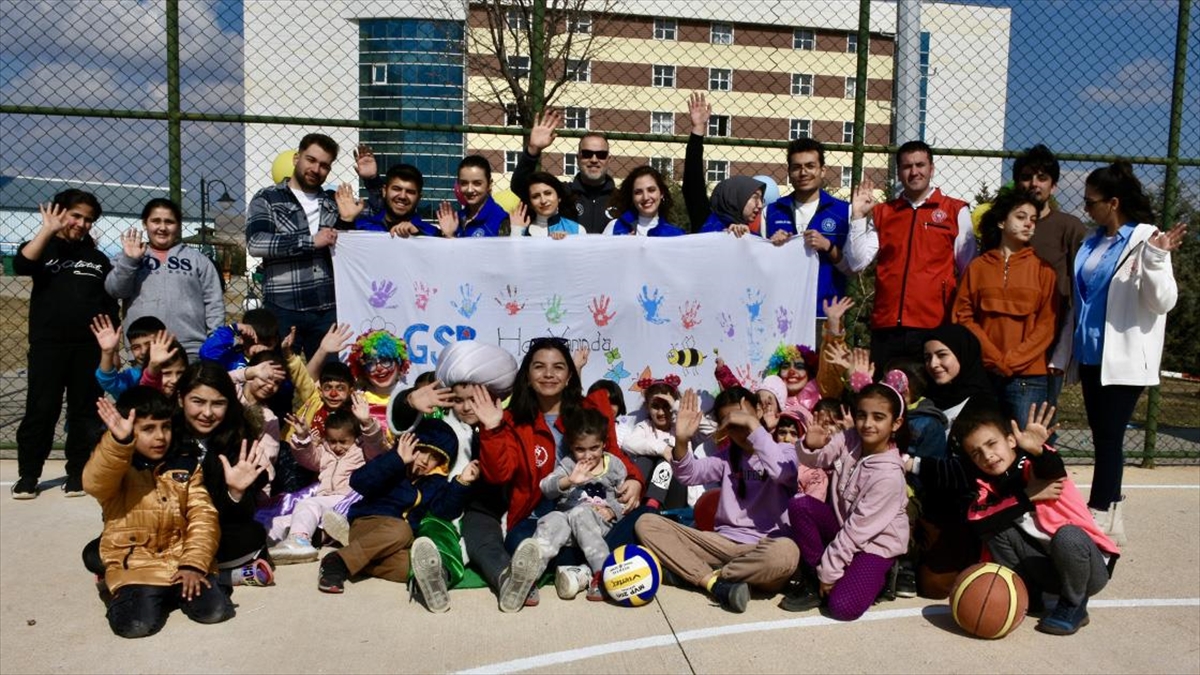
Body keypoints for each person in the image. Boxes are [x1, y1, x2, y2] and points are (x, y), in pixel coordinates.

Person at [468, 338, 644, 612]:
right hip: (540, 517)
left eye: (558, 367)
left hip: (592, 512)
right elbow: (498, 474)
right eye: (539, 367)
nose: (549, 374)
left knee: (642, 518)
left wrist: (634, 479)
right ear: (527, 376)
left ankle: (576, 565)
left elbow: (613, 454)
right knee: (519, 541)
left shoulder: (590, 411)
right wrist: (492, 428)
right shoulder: (514, 420)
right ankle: (574, 568)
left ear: (569, 375)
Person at [1064, 162, 1184, 544]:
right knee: (1103, 436)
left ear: (1113, 202)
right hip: (1090, 354)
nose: (1086, 208)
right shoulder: (1092, 240)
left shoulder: (1147, 239)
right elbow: (1082, 298)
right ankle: (1112, 514)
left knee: (1110, 438)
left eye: (1091, 201)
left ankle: (1100, 514)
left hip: (1124, 359)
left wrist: (1157, 258)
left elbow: (1163, 300)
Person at [953, 403, 1119, 635]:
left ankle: (1074, 604)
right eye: (976, 453)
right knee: (996, 529)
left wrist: (1038, 450)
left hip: (1088, 570)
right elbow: (978, 521)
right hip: (1048, 570)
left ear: (1011, 440)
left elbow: (1052, 469)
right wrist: (1026, 497)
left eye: (992, 444)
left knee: (1067, 536)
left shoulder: (1032, 464)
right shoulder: (987, 486)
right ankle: (1027, 593)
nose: (987, 456)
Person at [634, 387, 801, 614]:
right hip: (722, 544)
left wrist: (753, 426)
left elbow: (784, 474)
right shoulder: (725, 458)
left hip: (764, 548)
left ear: (760, 411)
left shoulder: (785, 450)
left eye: (743, 418)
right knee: (646, 523)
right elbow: (689, 474)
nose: (739, 428)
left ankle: (704, 573)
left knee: (787, 553)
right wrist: (681, 439)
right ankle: (711, 581)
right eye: (731, 423)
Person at [85, 387, 233, 638]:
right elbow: (94, 482)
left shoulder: (185, 465)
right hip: (135, 565)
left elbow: (203, 517)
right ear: (130, 430)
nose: (160, 437)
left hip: (181, 561)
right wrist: (119, 442)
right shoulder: (118, 468)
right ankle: (121, 590)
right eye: (148, 429)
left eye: (165, 427)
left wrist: (194, 564)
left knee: (215, 612)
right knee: (135, 626)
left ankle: (166, 594)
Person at [12, 191, 119, 500]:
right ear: (60, 213)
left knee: (85, 411)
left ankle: (77, 472)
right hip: (48, 346)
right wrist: (47, 230)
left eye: (88, 219)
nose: (82, 223)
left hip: (88, 348)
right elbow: (21, 264)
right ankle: (29, 474)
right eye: (76, 216)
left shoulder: (98, 260)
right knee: (41, 409)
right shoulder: (44, 250)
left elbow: (110, 305)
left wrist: (109, 348)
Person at [782, 382, 909, 620]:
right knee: (800, 505)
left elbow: (857, 532)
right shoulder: (850, 438)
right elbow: (818, 459)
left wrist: (829, 572)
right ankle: (813, 580)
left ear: (896, 424)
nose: (867, 424)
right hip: (844, 528)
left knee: (842, 608)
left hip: (874, 545)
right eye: (862, 415)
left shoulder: (889, 476)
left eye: (878, 417)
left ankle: (883, 575)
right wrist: (810, 444)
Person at [845, 141, 976, 367]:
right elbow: (857, 262)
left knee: (927, 399)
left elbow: (969, 272)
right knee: (886, 398)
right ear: (899, 171)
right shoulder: (884, 212)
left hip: (934, 325)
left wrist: (959, 322)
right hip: (887, 326)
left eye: (920, 165)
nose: (914, 172)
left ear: (931, 168)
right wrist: (857, 216)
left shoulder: (955, 210)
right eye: (907, 166)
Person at [316, 418, 477, 601]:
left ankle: (357, 557)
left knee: (413, 566)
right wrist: (396, 460)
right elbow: (358, 482)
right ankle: (337, 561)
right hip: (369, 524)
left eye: (434, 457)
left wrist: (461, 483)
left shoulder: (435, 482)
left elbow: (443, 511)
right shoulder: (392, 464)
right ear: (409, 445)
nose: (425, 460)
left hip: (393, 543)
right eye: (421, 450)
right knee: (402, 529)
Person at [246, 134, 376, 359]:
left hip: (327, 308)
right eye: (311, 160)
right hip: (283, 307)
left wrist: (372, 181)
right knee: (281, 380)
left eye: (324, 165)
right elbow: (256, 242)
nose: (316, 169)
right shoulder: (268, 198)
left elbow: (380, 216)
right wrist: (309, 241)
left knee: (330, 381)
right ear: (297, 158)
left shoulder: (333, 200)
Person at [953, 188, 1058, 428]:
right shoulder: (978, 268)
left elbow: (1047, 325)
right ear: (1001, 221)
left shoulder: (1044, 270)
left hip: (1028, 378)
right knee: (984, 445)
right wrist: (993, 357)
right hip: (984, 373)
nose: (1028, 224)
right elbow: (963, 316)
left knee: (1026, 449)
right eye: (1020, 217)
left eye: (1033, 219)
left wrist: (1010, 361)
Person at [174, 362, 275, 588]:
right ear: (181, 399)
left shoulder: (239, 440)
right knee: (97, 551)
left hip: (212, 531)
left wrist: (236, 492)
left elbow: (240, 516)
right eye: (197, 402)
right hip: (166, 531)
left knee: (254, 534)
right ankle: (223, 576)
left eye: (218, 404)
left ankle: (207, 576)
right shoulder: (164, 434)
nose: (207, 413)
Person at [1013, 145, 1087, 410]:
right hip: (1006, 338)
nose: (1034, 184)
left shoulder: (1070, 228)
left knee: (1041, 417)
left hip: (1049, 340)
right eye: (1027, 177)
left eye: (1042, 178)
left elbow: (1083, 286)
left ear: (1053, 186)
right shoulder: (1001, 225)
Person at [268, 397, 385, 564]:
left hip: (346, 500)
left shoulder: (362, 450)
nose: (337, 446)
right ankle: (259, 547)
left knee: (308, 505)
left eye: (343, 441)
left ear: (355, 437)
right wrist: (302, 437)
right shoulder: (325, 451)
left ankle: (300, 542)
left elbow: (376, 446)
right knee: (281, 522)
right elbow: (307, 458)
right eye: (332, 441)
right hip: (326, 502)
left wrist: (367, 422)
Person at [104, 198, 224, 360]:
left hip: (190, 348)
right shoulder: (127, 257)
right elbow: (115, 291)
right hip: (144, 347)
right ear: (145, 224)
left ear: (178, 225)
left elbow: (214, 302)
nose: (162, 227)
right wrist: (129, 261)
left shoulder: (198, 260)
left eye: (169, 222)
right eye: (155, 221)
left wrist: (214, 340)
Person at [531, 409, 628, 602]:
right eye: (580, 449)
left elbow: (626, 502)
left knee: (581, 512)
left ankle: (602, 575)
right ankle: (528, 577)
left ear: (604, 444)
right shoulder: (569, 465)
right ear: (571, 447)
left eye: (594, 448)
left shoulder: (615, 466)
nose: (588, 455)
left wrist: (612, 510)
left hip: (597, 527)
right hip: (566, 529)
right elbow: (545, 487)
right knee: (551, 519)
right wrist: (569, 480)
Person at [763, 138, 853, 317]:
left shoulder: (844, 211)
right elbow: (762, 268)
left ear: (822, 170)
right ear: (789, 172)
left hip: (826, 313)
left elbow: (851, 270)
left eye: (810, 166)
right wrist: (773, 249)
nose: (803, 173)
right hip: (782, 313)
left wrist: (828, 246)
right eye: (796, 167)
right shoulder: (771, 212)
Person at [512, 110, 615, 233]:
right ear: (577, 158)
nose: (594, 160)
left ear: (608, 160)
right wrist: (533, 150)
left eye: (601, 155)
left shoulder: (622, 198)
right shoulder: (564, 193)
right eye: (587, 154)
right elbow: (520, 186)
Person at [684, 93, 765, 235]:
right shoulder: (705, 220)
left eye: (761, 199)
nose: (760, 205)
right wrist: (698, 129)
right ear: (735, 197)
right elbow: (692, 181)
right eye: (755, 197)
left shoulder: (755, 237)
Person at [620, 375, 689, 511]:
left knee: (669, 459)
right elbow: (628, 443)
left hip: (674, 495)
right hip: (643, 493)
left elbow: (708, 429)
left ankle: (652, 504)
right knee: (645, 458)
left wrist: (676, 407)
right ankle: (643, 504)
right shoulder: (645, 426)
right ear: (647, 407)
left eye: (666, 406)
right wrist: (662, 449)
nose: (661, 412)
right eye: (655, 406)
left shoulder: (681, 428)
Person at [337, 163, 438, 237]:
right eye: (396, 189)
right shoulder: (362, 226)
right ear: (384, 191)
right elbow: (337, 252)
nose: (402, 196)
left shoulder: (431, 233)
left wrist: (418, 236)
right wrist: (345, 221)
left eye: (410, 192)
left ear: (418, 198)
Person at [91, 314, 166, 400]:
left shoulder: (176, 368)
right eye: (136, 347)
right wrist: (107, 352)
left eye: (149, 344)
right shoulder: (133, 376)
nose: (144, 351)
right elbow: (109, 382)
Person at [435, 155, 511, 237]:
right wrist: (447, 235)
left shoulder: (501, 221)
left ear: (489, 184)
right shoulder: (456, 218)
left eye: (477, 183)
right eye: (464, 183)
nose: (469, 190)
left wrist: (451, 236)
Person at [603, 165, 686, 236]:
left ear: (661, 193)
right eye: (638, 192)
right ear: (632, 197)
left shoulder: (676, 235)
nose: (645, 197)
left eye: (651, 190)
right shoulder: (615, 227)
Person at [509, 172, 585, 237]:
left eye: (548, 193)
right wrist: (516, 231)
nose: (543, 200)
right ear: (530, 203)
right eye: (535, 196)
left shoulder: (577, 230)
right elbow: (514, 253)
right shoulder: (520, 228)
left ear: (559, 197)